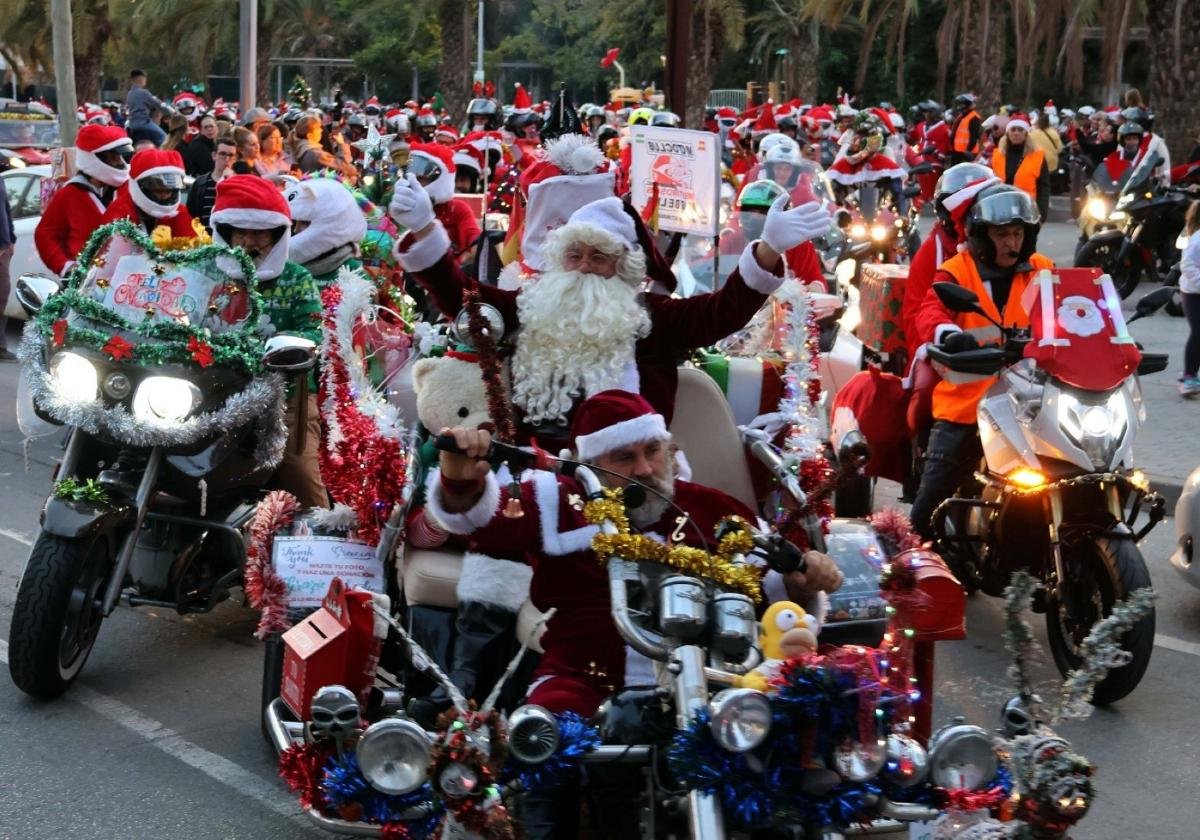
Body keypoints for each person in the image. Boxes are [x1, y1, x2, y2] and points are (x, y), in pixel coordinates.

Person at [427, 391, 844, 838]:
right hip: (581, 675)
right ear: (590, 464)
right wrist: (458, 479)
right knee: (540, 741)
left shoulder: (715, 511)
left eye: (652, 452)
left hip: (706, 682)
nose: (644, 469)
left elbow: (770, 588)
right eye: (624, 457)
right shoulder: (558, 501)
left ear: (670, 451)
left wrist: (801, 581)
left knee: (779, 741)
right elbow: (479, 519)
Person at [389, 177, 830, 446]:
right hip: (530, 469)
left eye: (598, 258)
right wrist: (427, 230)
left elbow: (721, 313)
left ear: (623, 268)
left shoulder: (650, 319)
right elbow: (461, 299)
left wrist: (768, 248)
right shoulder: (531, 306)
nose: (583, 268)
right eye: (574, 255)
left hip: (629, 478)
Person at [909, 185, 1054, 537]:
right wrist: (947, 333)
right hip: (969, 402)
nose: (1012, 243)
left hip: (1032, 403)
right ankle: (914, 562)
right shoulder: (957, 270)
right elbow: (929, 310)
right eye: (1002, 234)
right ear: (980, 235)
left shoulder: (1042, 269)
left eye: (1019, 233)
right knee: (930, 504)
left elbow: (1072, 305)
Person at [208, 175, 326, 508]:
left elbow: (314, 332)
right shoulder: (205, 270)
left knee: (297, 469)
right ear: (225, 232)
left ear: (277, 235)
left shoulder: (297, 278)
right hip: (210, 390)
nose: (249, 242)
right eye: (240, 232)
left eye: (259, 233)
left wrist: (284, 352)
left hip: (284, 393)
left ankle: (323, 544)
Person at [35, 124, 133, 276]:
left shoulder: (129, 190)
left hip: (128, 279)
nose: (119, 161)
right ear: (94, 158)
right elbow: (45, 234)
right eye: (112, 156)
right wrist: (66, 267)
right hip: (86, 282)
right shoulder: (69, 194)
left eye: (119, 156)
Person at [404, 142, 482, 262]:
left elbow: (472, 235)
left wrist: (478, 251)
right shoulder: (401, 206)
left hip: (447, 274)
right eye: (412, 178)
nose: (414, 183)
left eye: (420, 179)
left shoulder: (458, 209)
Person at [284, 177, 367, 287]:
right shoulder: (285, 269)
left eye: (304, 223)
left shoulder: (353, 272)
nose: (296, 230)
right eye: (295, 223)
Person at [100, 148, 195, 238]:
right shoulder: (119, 211)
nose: (164, 196)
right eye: (158, 190)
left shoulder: (178, 211)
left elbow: (193, 243)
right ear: (140, 187)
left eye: (169, 191)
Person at [991, 114, 1049, 219]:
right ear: (1007, 133)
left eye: (1020, 130)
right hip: (1001, 208)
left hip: (1027, 209)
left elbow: (1044, 187)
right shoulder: (997, 155)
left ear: (1026, 133)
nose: (1016, 133)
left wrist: (1042, 213)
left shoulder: (1038, 156)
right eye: (1013, 130)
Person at [186, 134, 237, 231]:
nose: (226, 159)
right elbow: (191, 214)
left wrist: (229, 180)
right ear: (214, 155)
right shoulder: (200, 183)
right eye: (222, 154)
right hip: (203, 238)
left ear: (235, 158)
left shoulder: (238, 184)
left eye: (230, 155)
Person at [1179, 202, 1200, 397]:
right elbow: (1187, 265)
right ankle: (1189, 377)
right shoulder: (1197, 240)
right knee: (1198, 331)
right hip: (1193, 293)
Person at [124, 69, 166, 147]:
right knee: (164, 138)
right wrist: (171, 112)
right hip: (144, 123)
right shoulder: (143, 93)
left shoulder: (129, 93)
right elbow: (158, 104)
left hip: (132, 124)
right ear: (141, 79)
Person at [0, 175, 15, 360]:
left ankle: (0, 346)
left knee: (2, 296)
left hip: (3, 248)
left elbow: (6, 208)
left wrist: (11, 238)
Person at [948, 93, 982, 166]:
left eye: (962, 104)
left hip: (967, 153)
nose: (960, 106)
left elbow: (974, 136)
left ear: (968, 104)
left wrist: (968, 151)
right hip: (957, 151)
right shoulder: (962, 116)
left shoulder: (974, 117)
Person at [1027, 110, 1064, 174]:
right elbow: (1060, 149)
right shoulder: (1054, 133)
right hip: (1052, 163)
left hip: (1037, 162)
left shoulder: (1032, 133)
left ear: (1037, 121)